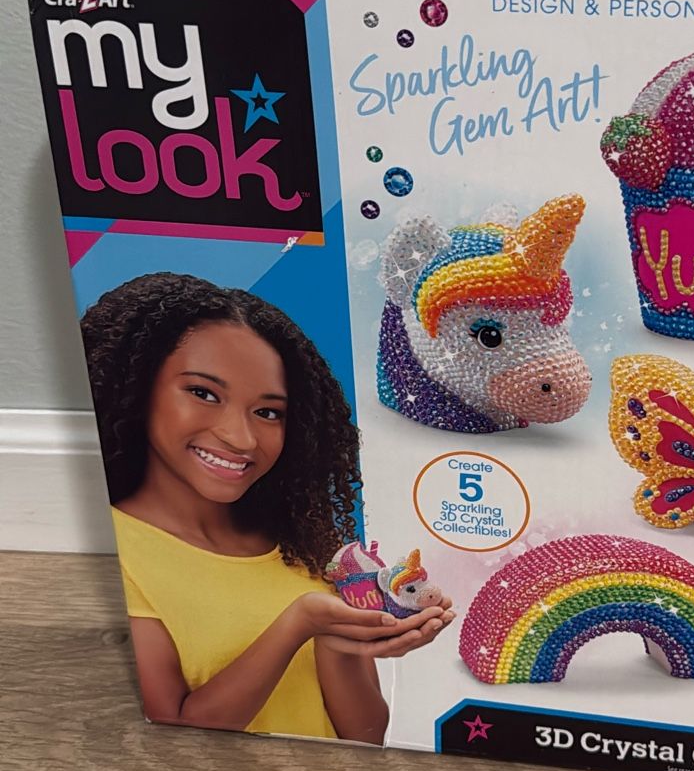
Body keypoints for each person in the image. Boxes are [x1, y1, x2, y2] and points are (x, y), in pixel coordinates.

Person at [81, 272, 453, 743]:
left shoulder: (304, 549)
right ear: (136, 387)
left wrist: (336, 643)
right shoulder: (118, 550)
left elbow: (364, 736)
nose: (241, 438)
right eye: (203, 393)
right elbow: (172, 732)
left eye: (268, 412)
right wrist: (297, 624)